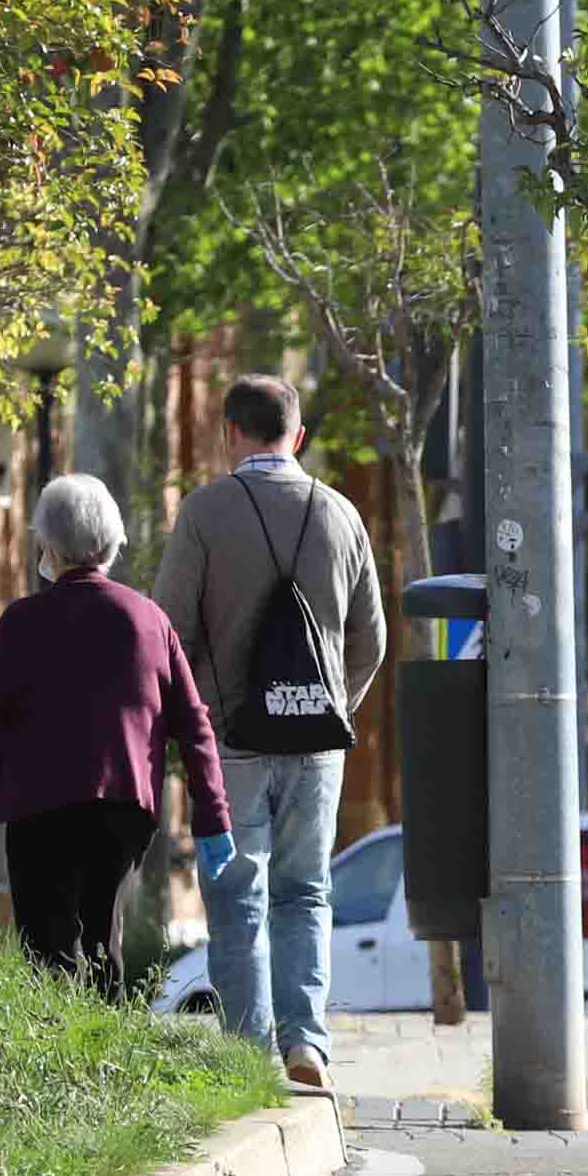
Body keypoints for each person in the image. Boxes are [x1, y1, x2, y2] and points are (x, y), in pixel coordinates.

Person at [151, 375, 385, 1090]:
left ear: (231, 432)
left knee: (236, 897)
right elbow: (370, 639)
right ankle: (306, 1043)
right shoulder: (342, 515)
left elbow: (168, 633)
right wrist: (327, 705)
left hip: (231, 746)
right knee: (305, 891)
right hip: (317, 743)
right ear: (299, 436)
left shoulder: (205, 512)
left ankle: (247, 1053)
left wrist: (183, 732)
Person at [0, 474, 234, 999]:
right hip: (120, 808)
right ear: (114, 542)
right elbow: (194, 724)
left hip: (37, 806)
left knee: (46, 947)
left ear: (46, 545)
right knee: (103, 938)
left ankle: (55, 1055)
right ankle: (106, 1058)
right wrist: (212, 817)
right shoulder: (148, 620)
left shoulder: (22, 622)